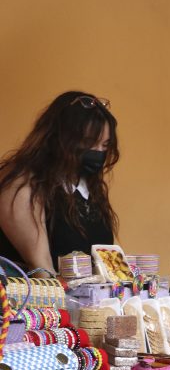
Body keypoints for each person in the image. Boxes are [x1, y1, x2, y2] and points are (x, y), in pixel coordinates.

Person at [0, 91, 119, 277]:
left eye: (105, 145)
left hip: (87, 302)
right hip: (33, 302)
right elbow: (41, 268)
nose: (98, 152)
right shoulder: (23, 184)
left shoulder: (88, 186)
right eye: (89, 142)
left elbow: (109, 260)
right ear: (58, 138)